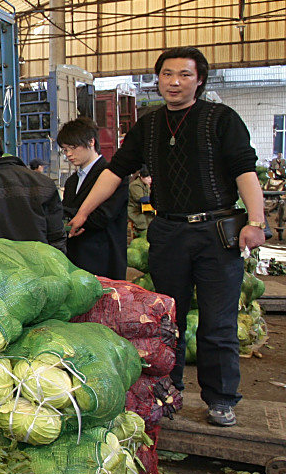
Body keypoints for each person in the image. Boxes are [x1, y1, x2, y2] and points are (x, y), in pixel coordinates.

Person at [68, 47, 266, 428]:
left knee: (218, 321)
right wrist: (82, 211)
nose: (175, 82)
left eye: (185, 75)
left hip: (216, 232)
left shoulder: (221, 119)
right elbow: (116, 171)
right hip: (169, 231)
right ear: (158, 79)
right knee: (166, 321)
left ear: (200, 80)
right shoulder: (149, 124)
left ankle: (221, 398)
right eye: (167, 74)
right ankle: (168, 392)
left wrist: (256, 221)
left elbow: (245, 170)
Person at [57, 117, 128, 279]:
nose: (68, 154)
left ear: (91, 142)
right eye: (65, 149)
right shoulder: (71, 181)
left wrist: (70, 217)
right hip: (76, 261)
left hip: (104, 261)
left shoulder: (113, 175)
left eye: (73, 148)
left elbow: (104, 216)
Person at [127, 167, 154, 235]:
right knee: (146, 222)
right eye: (147, 178)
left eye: (150, 177)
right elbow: (141, 199)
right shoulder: (135, 185)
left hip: (144, 209)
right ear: (141, 177)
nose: (150, 180)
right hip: (135, 210)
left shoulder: (146, 185)